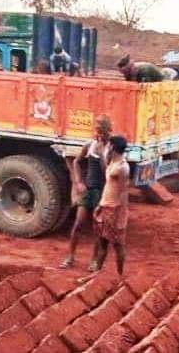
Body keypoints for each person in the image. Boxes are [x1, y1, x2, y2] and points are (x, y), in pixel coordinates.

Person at [60, 116, 112, 270]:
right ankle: (70, 257)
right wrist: (78, 181)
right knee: (78, 224)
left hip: (102, 192)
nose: (96, 130)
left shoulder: (110, 149)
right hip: (88, 190)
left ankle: (95, 260)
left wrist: (102, 152)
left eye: (100, 128)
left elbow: (107, 171)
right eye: (96, 128)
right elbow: (76, 161)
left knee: (98, 228)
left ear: (107, 130)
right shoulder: (90, 145)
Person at [90, 136, 130, 276]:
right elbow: (108, 185)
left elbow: (124, 193)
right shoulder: (113, 163)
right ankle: (96, 274)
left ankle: (120, 275)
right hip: (105, 207)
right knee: (102, 243)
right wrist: (100, 204)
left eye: (109, 145)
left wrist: (120, 216)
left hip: (115, 210)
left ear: (112, 147)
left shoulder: (122, 167)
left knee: (118, 245)